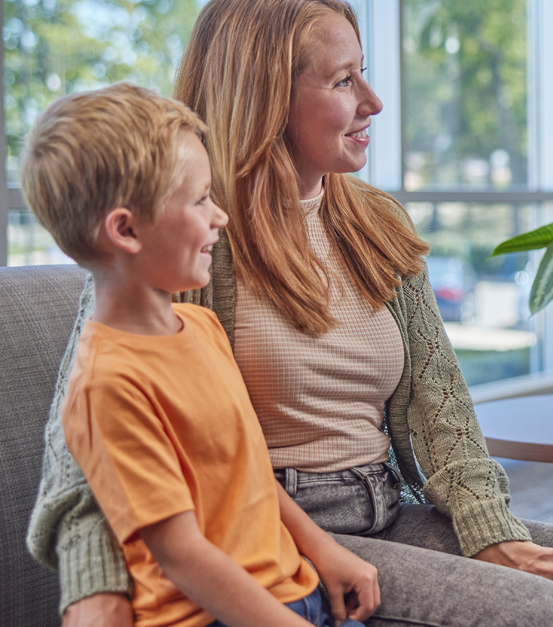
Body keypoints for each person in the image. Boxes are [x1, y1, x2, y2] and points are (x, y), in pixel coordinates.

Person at [27, 0, 553, 627]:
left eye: (364, 72)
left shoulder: (377, 222)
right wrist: (96, 599)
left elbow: (441, 404)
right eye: (342, 81)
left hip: (383, 507)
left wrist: (489, 530)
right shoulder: (180, 238)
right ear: (266, 98)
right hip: (271, 534)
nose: (373, 101)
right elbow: (82, 454)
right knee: (542, 617)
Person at [21, 83, 380, 627]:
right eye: (200, 200)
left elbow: (248, 473)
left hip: (294, 591)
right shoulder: (106, 386)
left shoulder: (204, 326)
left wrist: (323, 549)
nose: (221, 217)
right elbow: (182, 555)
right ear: (126, 229)